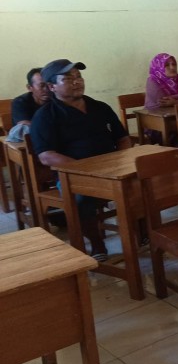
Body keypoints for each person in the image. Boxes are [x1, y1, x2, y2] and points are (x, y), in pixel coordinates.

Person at [30, 59, 132, 261]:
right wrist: (87, 170)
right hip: (74, 174)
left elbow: (123, 138)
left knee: (142, 183)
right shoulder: (45, 116)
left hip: (112, 169)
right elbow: (46, 155)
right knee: (81, 199)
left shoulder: (99, 107)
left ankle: (143, 233)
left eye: (78, 77)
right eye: (68, 79)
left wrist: (122, 161)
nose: (77, 82)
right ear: (52, 86)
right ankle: (97, 243)